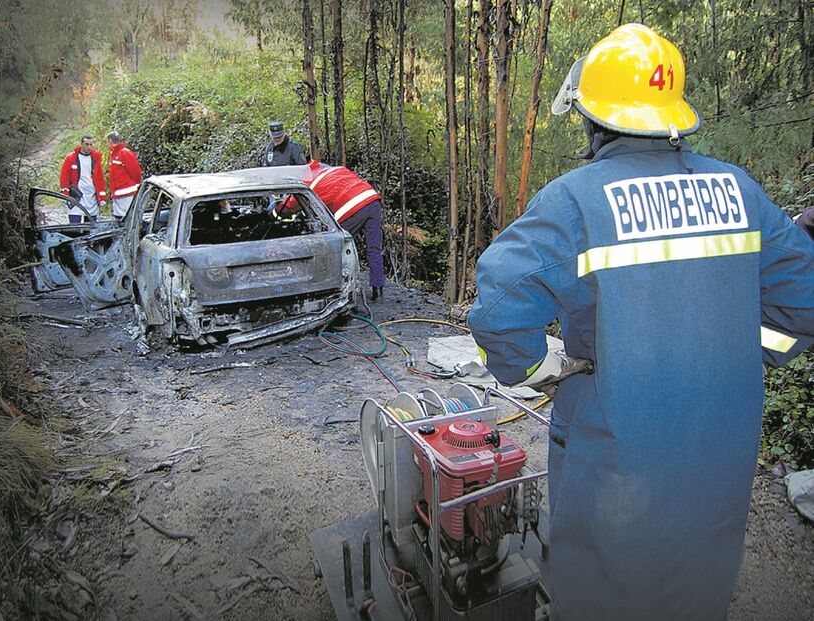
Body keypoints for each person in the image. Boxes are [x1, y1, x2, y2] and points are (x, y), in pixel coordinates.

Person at [468, 23, 813, 621]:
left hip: (614, 462)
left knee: (601, 596)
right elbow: (804, 305)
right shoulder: (740, 192)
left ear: (594, 119)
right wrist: (740, 348)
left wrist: (538, 366)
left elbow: (499, 305)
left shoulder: (577, 201)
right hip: (720, 461)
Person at [275, 160, 387, 300]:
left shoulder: (310, 183)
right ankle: (378, 288)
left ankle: (334, 288)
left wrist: (274, 212)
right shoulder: (337, 170)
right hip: (372, 200)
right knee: (374, 248)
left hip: (351, 207)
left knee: (335, 247)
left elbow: (290, 206)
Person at [59, 135, 107, 223]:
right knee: (75, 224)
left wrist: (102, 197)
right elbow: (64, 177)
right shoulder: (71, 158)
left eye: (91, 144)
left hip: (91, 197)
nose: (89, 147)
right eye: (86, 144)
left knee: (90, 228)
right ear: (81, 144)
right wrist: (65, 194)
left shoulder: (95, 158)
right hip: (76, 196)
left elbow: (100, 179)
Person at [106, 131, 143, 223]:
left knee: (128, 219)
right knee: (120, 219)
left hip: (127, 195)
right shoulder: (115, 154)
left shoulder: (124, 153)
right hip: (119, 195)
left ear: (110, 141)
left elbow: (136, 172)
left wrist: (135, 185)